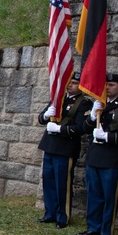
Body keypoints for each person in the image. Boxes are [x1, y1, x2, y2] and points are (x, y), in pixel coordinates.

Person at [77, 73, 118, 235]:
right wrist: (92, 116)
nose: (107, 88)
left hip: (112, 158)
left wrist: (107, 137)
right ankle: (93, 227)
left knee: (109, 196)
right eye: (105, 84)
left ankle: (106, 231)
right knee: (93, 194)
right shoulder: (99, 104)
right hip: (94, 157)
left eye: (111, 85)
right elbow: (84, 128)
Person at [36, 72, 91, 227]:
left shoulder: (84, 103)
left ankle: (62, 216)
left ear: (80, 86)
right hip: (50, 145)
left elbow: (81, 128)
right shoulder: (58, 98)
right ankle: (50, 213)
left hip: (65, 148)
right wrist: (46, 115)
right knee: (48, 181)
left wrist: (60, 129)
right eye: (69, 82)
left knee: (62, 184)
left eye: (74, 82)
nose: (70, 85)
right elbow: (41, 119)